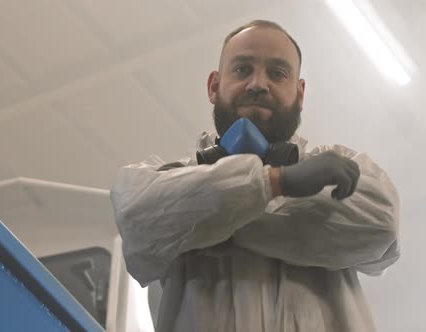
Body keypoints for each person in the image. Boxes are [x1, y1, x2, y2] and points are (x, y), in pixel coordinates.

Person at [110, 20, 400, 332]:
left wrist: (210, 219)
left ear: (299, 93)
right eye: (242, 69)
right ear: (213, 86)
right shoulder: (163, 180)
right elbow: (137, 223)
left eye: (277, 73)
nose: (258, 84)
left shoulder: (340, 167)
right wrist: (275, 183)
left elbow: (379, 227)